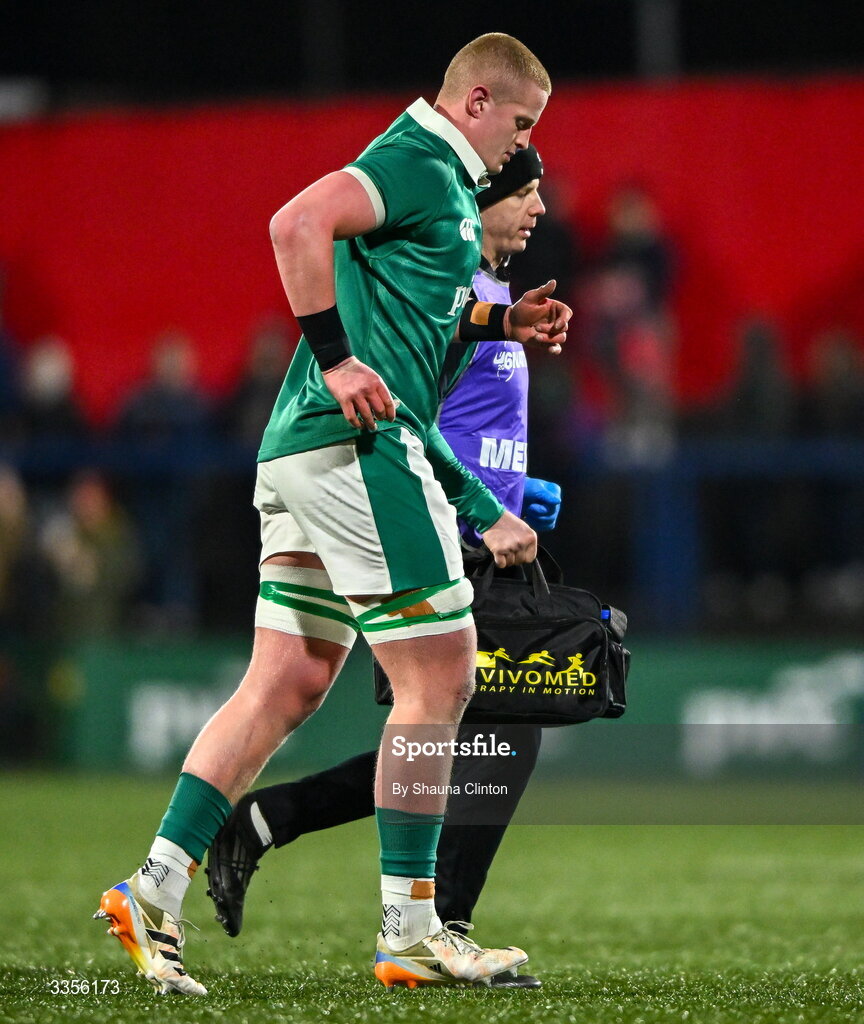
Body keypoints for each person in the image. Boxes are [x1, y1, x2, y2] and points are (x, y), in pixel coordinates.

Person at [96, 32, 571, 995]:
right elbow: (295, 223)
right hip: (358, 445)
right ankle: (411, 930)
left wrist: (495, 319)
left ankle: (152, 890)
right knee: (441, 672)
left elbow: (398, 297)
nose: (518, 149)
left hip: (303, 448)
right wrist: (338, 358)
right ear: (476, 103)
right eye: (518, 126)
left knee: (289, 682)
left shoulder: (428, 175)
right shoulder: (420, 161)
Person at [206, 145, 559, 989]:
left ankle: (277, 825)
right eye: (529, 193)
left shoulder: (496, 300)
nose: (540, 209)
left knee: (481, 735)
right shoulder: (443, 291)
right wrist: (480, 505)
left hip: (490, 531)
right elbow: (409, 418)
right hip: (437, 529)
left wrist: (520, 486)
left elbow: (470, 418)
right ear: (486, 203)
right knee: (479, 735)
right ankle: (435, 923)